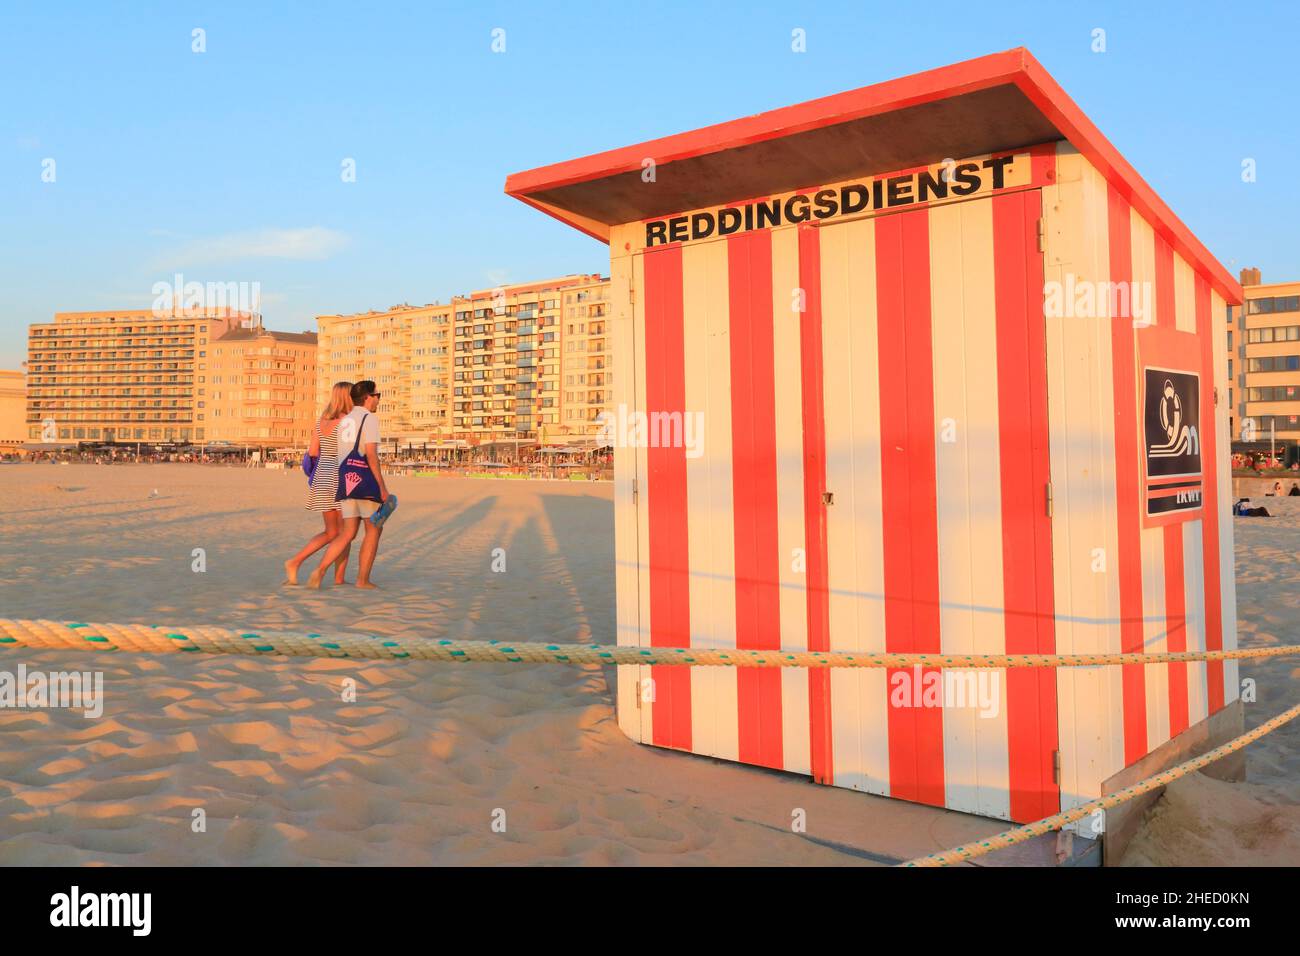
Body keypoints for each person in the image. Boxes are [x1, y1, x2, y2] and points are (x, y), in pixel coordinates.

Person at [308, 380, 390, 589]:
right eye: (376, 395)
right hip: (364, 479)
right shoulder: (369, 418)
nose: (378, 399)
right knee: (373, 529)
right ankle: (362, 580)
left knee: (348, 532)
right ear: (367, 397)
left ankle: (320, 569)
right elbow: (371, 455)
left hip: (345, 481)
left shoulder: (344, 420)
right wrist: (381, 486)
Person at [285, 382, 353, 585]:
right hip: (339, 475)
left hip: (322, 475)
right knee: (345, 532)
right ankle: (338, 579)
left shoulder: (321, 421)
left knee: (331, 531)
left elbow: (313, 452)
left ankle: (295, 562)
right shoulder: (347, 422)